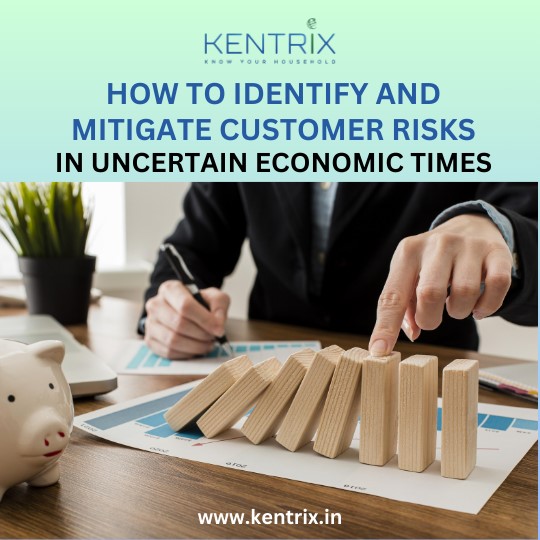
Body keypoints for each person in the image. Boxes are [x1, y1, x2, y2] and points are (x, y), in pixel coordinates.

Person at [139, 183, 537, 360]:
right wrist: (168, 303)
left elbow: (525, 220)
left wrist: (496, 229)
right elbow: (190, 247)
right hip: (277, 375)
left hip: (428, 371)